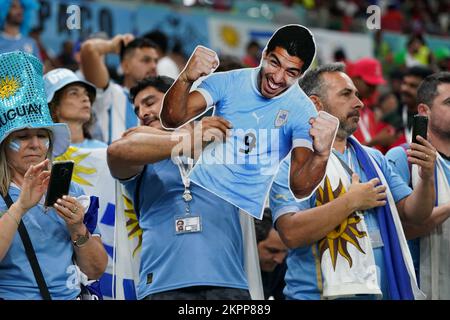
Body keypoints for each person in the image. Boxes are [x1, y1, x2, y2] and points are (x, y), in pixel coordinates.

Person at [270, 63, 436, 300]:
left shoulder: (373, 158)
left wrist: (426, 177)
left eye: (357, 95)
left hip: (378, 293)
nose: (359, 103)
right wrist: (350, 202)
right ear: (316, 104)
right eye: (346, 94)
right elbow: (291, 233)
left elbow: (415, 213)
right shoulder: (289, 161)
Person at [160, 24, 339, 219]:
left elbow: (300, 188)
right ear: (264, 54)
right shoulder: (229, 82)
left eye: (291, 72)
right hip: (200, 192)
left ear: (301, 75)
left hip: (245, 212)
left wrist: (322, 155)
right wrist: (186, 77)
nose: (277, 78)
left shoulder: (303, 111)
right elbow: (172, 118)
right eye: (274, 63)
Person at [107, 76, 251, 300]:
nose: (143, 113)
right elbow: (117, 152)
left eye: (149, 102)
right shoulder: (144, 158)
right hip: (162, 286)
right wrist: (189, 138)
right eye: (137, 110)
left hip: (228, 283)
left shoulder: (223, 146)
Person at [0, 51, 107, 299]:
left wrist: (77, 228)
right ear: (4, 144)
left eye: (42, 136)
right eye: (22, 137)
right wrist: (19, 208)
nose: (35, 144)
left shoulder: (72, 191)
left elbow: (96, 269)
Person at [386, 72, 450, 299]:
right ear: (424, 111)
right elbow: (398, 231)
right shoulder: (402, 157)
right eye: (448, 102)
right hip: (416, 289)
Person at [80, 35, 159, 144]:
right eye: (146, 60)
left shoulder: (162, 102)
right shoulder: (110, 93)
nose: (154, 66)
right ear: (125, 66)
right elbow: (89, 49)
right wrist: (112, 46)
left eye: (156, 61)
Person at [43, 68, 106, 149]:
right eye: (74, 93)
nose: (86, 99)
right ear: (54, 107)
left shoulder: (103, 150)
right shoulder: (42, 154)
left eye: (86, 93)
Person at [255, 208, 287, 300]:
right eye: (273, 251)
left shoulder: (281, 266)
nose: (279, 259)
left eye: (285, 251)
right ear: (253, 243)